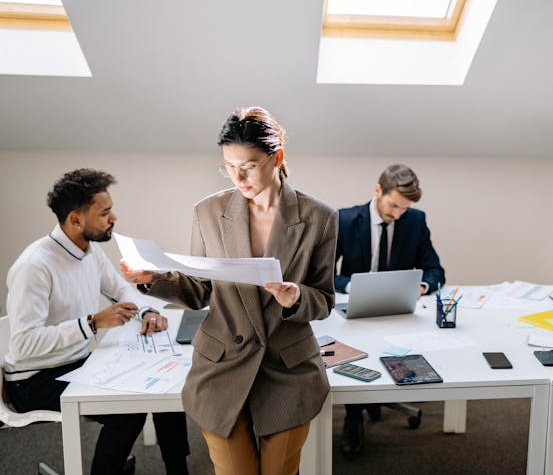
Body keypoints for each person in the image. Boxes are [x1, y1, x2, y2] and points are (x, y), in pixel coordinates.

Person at [121, 106, 337, 475]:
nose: (238, 176)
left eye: (249, 165)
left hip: (286, 368)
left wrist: (296, 297)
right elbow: (200, 290)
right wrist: (151, 279)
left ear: (277, 158)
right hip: (221, 365)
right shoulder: (208, 211)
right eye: (228, 166)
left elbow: (324, 300)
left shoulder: (319, 217)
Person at [3, 169, 190, 475]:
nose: (113, 218)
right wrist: (91, 323)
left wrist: (147, 312)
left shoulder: (88, 250)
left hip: (76, 361)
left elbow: (121, 291)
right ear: (76, 220)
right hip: (33, 380)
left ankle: (176, 467)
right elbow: (23, 345)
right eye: (104, 213)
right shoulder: (35, 266)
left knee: (158, 383)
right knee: (127, 413)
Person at [335, 163, 446, 458]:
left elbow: (435, 270)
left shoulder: (415, 221)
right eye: (393, 205)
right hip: (354, 308)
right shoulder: (345, 220)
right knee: (355, 349)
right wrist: (351, 286)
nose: (397, 214)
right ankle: (354, 416)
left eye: (403, 209)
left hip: (398, 310)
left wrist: (420, 287)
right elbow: (321, 273)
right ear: (377, 191)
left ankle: (372, 398)